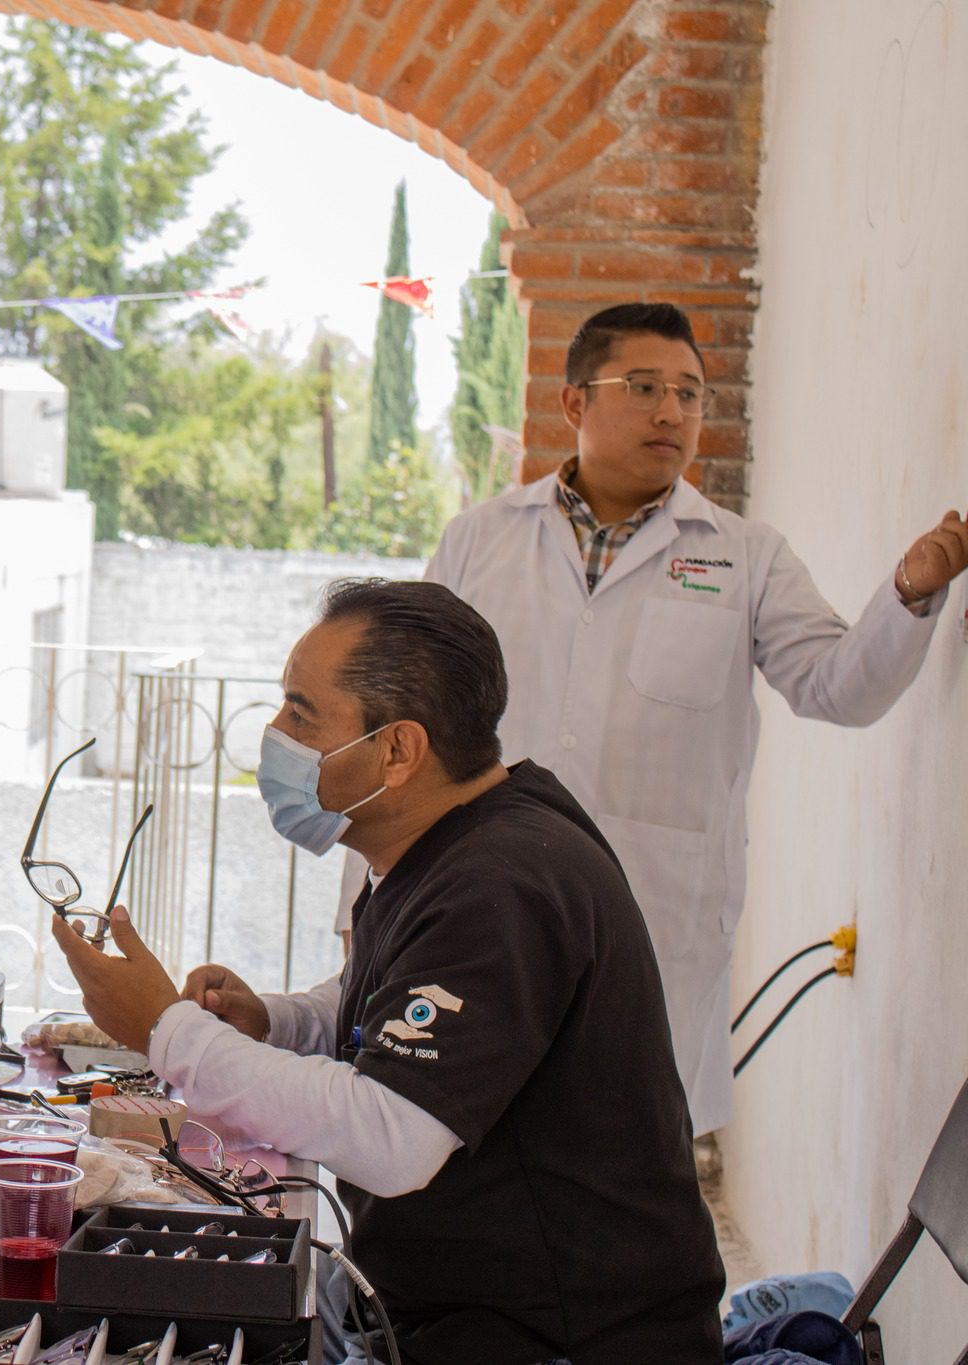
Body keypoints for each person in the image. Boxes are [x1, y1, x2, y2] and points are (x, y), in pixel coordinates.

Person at [53, 579, 724, 1365]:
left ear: (398, 750)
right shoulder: (459, 840)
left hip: (565, 1338)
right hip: (455, 1311)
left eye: (301, 713)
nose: (275, 734)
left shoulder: (500, 884)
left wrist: (168, 1030)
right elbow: (393, 996)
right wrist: (279, 1021)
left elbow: (390, 1135)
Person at [349, 301, 968, 1139]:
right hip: (477, 897)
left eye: (690, 393)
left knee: (619, 1162)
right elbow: (405, 723)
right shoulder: (480, 541)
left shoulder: (744, 557)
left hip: (653, 917)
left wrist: (908, 595)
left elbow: (837, 688)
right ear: (574, 404)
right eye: (644, 387)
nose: (673, 412)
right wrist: (365, 897)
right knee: (458, 1133)